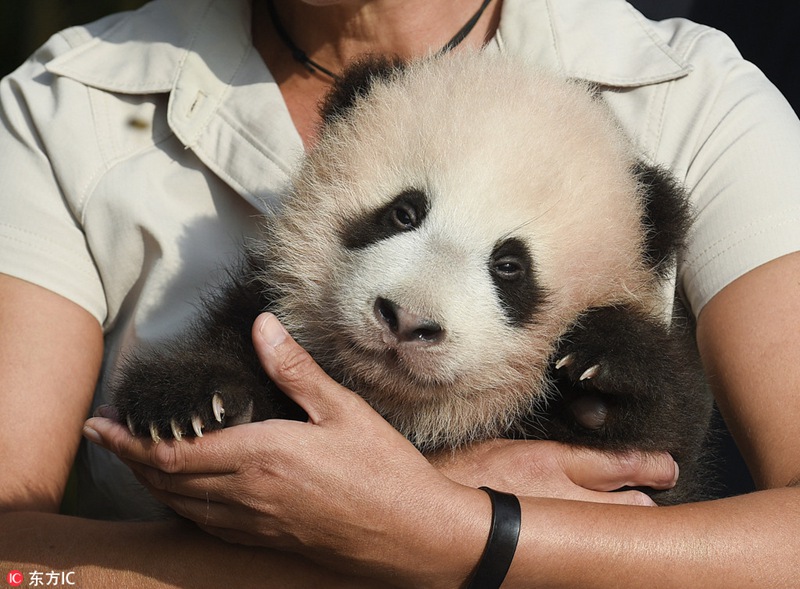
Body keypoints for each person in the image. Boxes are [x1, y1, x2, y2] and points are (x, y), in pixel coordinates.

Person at [1, 0, 799, 586]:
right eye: (403, 215)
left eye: (509, 267)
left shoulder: (698, 99)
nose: (415, 299)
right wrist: (423, 526)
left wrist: (439, 525)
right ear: (340, 132)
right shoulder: (62, 105)